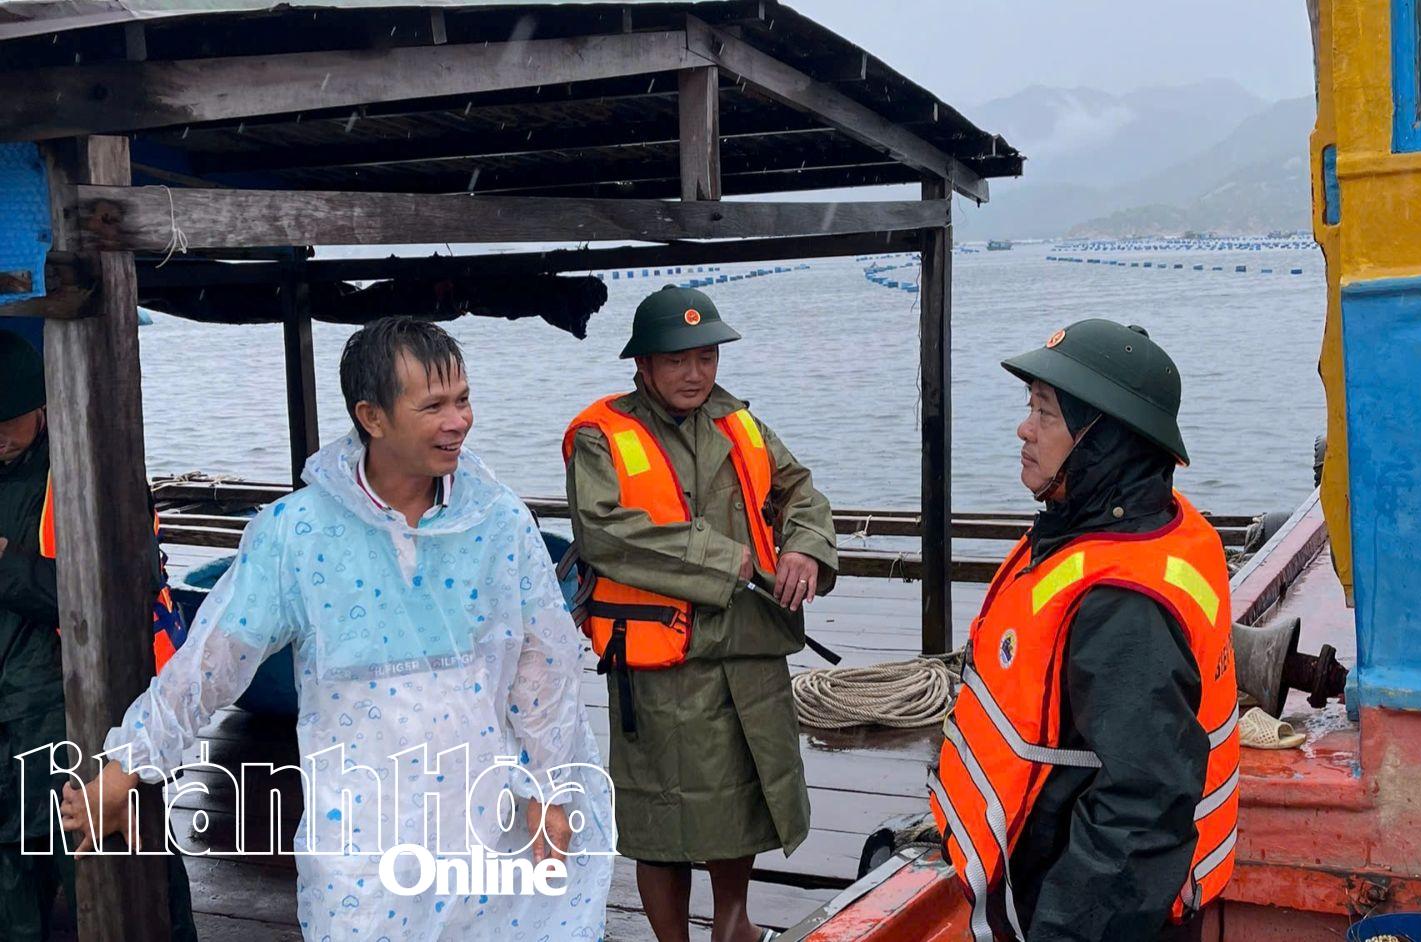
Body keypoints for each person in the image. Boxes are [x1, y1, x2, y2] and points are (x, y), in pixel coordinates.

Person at [60, 317, 612, 939]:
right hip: (362, 826)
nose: (457, 421)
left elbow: (544, 667)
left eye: (462, 400)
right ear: (372, 417)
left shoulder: (498, 520)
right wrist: (129, 764)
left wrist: (551, 787)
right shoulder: (298, 533)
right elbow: (212, 659)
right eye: (433, 405)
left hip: (489, 808)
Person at [929, 320, 1240, 942]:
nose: (1024, 429)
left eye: (1045, 414)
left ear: (1105, 442)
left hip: (1080, 910)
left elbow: (1141, 814)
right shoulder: (1139, 529)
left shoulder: (1123, 604)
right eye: (1030, 408)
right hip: (1046, 878)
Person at [563, 286, 837, 942]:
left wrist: (804, 546)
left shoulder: (739, 423)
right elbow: (606, 531)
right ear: (643, 366)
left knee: (737, 802)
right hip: (661, 660)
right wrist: (722, 559)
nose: (695, 374)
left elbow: (799, 489)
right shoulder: (602, 436)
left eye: (706, 357)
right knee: (662, 819)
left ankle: (733, 921)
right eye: (677, 361)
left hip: (746, 647)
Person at [0, 329, 196, 940]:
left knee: (128, 879)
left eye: (7, 421)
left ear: (42, 407)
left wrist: (8, 567)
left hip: (70, 718)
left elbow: (120, 591)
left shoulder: (91, 470)